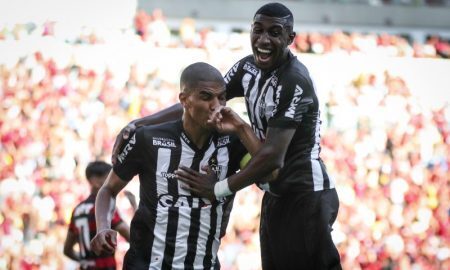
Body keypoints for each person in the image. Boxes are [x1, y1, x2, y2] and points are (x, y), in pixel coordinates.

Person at [113, 3, 341, 269]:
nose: (264, 39)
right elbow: (201, 99)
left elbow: (273, 159)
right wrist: (139, 123)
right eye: (258, 30)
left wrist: (218, 189)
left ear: (290, 39)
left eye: (274, 33)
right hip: (276, 195)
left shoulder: (294, 80)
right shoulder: (248, 68)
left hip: (306, 195)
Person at [91, 62, 264, 269]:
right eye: (206, 97)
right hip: (146, 264)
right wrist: (102, 227)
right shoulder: (148, 139)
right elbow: (108, 189)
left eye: (222, 97)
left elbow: (269, 172)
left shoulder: (233, 142)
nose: (216, 105)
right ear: (184, 100)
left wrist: (241, 128)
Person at [64, 161, 133, 270]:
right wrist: (135, 207)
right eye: (108, 179)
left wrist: (86, 261)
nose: (112, 183)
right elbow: (131, 237)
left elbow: (67, 250)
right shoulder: (105, 209)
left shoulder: (77, 210)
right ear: (95, 182)